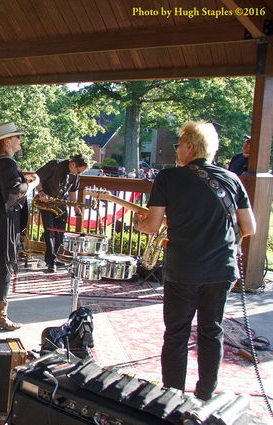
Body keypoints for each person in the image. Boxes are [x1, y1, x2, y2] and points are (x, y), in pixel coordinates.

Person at [134, 121, 256, 401]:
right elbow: (249, 228)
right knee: (212, 332)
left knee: (176, 333)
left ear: (190, 147)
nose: (177, 151)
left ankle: (172, 398)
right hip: (221, 269)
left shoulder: (169, 178)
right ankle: (205, 396)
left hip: (183, 269)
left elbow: (152, 226)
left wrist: (138, 224)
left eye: (179, 145)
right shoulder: (232, 179)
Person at [0, 122, 39, 330]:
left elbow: (2, 187)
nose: (20, 140)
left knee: (4, 265)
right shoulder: (7, 164)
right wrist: (33, 184)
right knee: (8, 265)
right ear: (7, 141)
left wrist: (23, 180)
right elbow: (13, 194)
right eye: (17, 137)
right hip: (2, 223)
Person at [35, 154, 90, 273]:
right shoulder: (55, 165)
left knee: (61, 231)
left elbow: (72, 191)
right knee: (50, 232)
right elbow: (36, 178)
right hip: (46, 201)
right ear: (73, 164)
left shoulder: (75, 174)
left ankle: (59, 257)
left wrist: (75, 207)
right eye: (79, 171)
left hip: (60, 201)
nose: (78, 174)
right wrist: (41, 193)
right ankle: (51, 261)